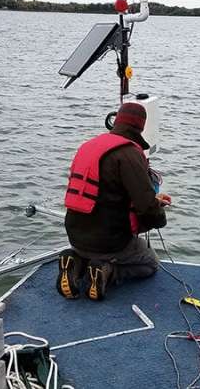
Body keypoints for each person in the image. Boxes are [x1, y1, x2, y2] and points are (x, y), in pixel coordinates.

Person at [58, 102, 171, 301]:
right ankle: (108, 272)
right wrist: (159, 214)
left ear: (116, 121)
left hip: (75, 235)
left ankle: (76, 263)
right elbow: (145, 206)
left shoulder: (88, 146)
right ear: (141, 127)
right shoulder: (130, 153)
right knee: (150, 263)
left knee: (91, 247)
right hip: (111, 242)